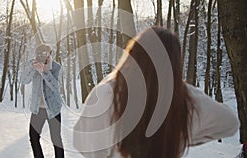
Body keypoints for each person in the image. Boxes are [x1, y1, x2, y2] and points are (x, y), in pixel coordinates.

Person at [73, 27, 240, 158]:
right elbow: (229, 122)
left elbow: (84, 144)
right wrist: (183, 137)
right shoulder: (183, 100)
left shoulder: (108, 94)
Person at [21, 43, 65, 158]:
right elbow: (24, 80)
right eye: (39, 54)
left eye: (45, 54)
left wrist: (45, 71)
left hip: (53, 109)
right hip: (37, 109)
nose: (42, 56)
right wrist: (32, 67)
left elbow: (55, 87)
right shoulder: (32, 64)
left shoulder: (56, 67)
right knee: (33, 137)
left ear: (50, 55)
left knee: (56, 140)